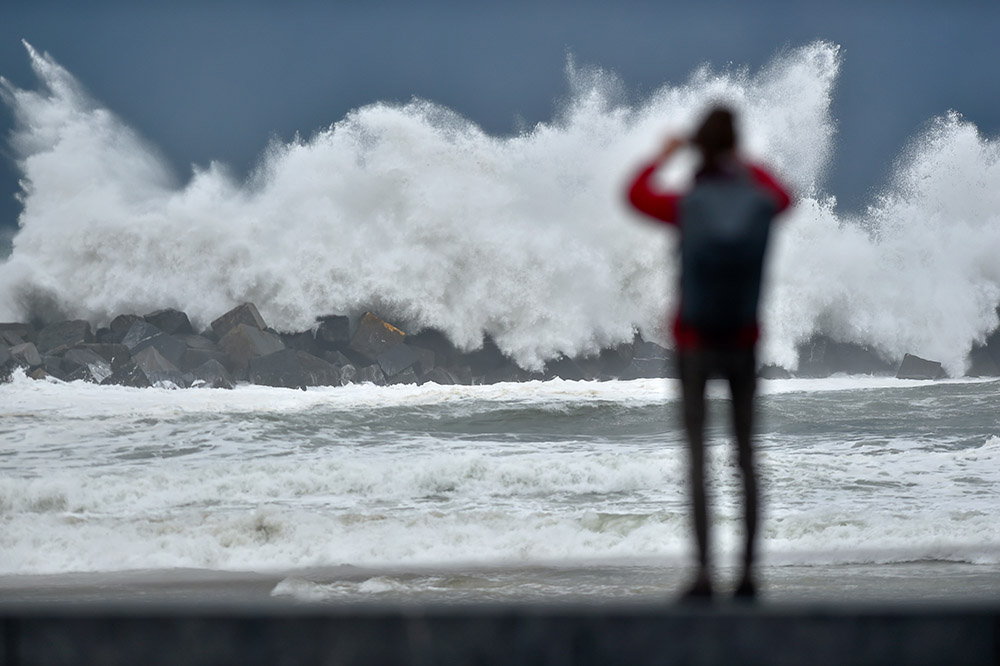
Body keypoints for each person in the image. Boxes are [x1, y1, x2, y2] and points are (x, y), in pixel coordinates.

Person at [626, 106, 792, 600]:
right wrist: (737, 159)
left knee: (698, 457)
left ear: (700, 145)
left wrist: (668, 154)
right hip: (743, 339)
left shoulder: (689, 203)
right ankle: (747, 574)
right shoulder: (757, 199)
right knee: (745, 457)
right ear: (735, 145)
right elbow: (785, 196)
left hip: (694, 341)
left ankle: (702, 573)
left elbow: (635, 194)